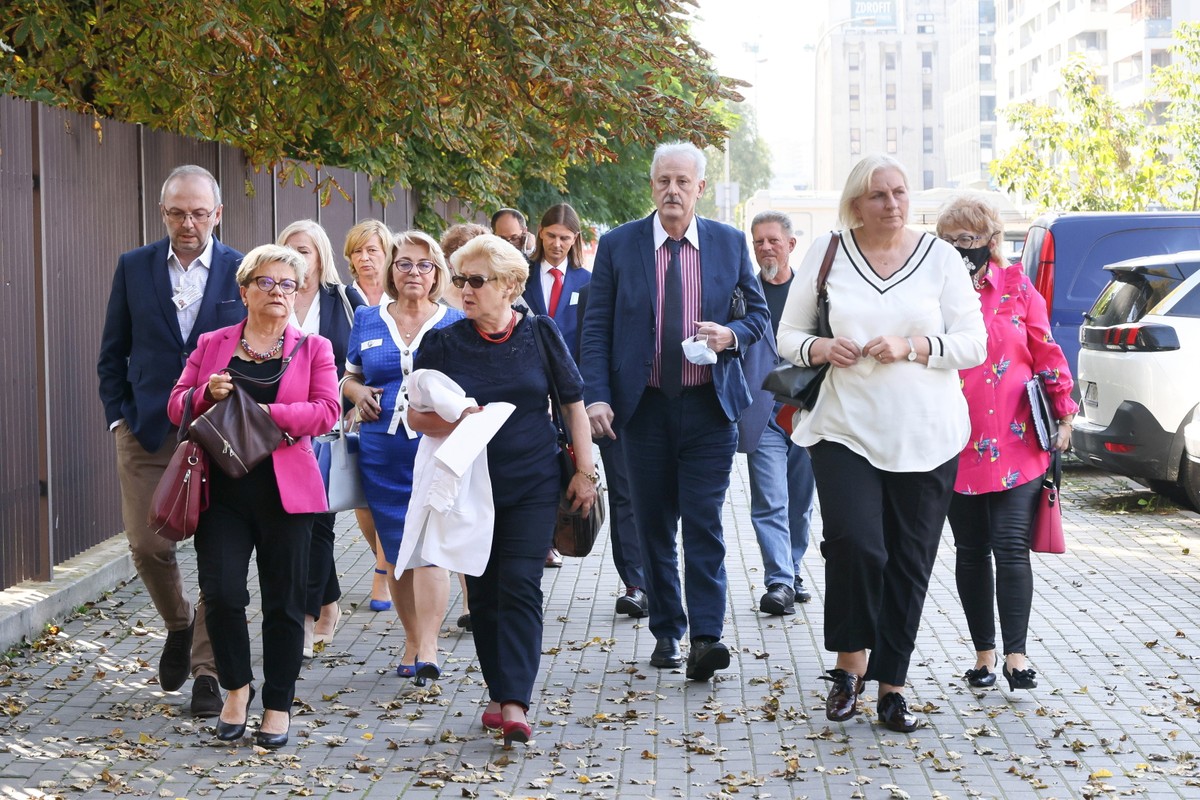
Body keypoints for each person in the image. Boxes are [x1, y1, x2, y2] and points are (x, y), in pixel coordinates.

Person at [776, 154, 987, 733]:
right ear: (855, 203)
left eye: (899, 192)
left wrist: (915, 346)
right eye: (877, 195)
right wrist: (821, 350)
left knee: (910, 560)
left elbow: (975, 343)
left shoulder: (941, 258)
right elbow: (787, 335)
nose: (891, 204)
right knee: (856, 543)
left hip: (928, 432)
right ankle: (850, 664)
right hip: (845, 426)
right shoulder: (826, 253)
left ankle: (892, 686)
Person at [579, 141, 770, 680]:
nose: (673, 190)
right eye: (664, 180)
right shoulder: (619, 246)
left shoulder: (729, 245)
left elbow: (758, 316)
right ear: (652, 185)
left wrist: (731, 334)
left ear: (700, 189)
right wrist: (596, 396)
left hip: (709, 408)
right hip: (643, 410)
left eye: (683, 182)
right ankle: (668, 630)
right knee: (654, 525)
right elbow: (596, 330)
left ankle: (707, 636)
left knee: (705, 522)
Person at [410, 234, 597, 746]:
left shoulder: (540, 333)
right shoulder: (442, 343)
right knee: (486, 592)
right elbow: (414, 414)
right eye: (460, 280)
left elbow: (573, 404)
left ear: (511, 285)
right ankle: (498, 692)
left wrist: (586, 470)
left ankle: (514, 699)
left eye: (476, 280)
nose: (464, 290)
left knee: (520, 583)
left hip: (533, 481)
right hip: (471, 487)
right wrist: (456, 419)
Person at [166, 244, 340, 748]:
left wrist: (267, 417)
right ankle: (237, 690)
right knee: (221, 594)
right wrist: (207, 394)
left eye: (288, 284)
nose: (278, 292)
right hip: (222, 490)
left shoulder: (314, 349)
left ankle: (278, 704)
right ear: (244, 291)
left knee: (285, 603)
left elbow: (326, 411)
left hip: (287, 493)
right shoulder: (213, 343)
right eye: (266, 282)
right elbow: (176, 402)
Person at [97, 165, 244, 717]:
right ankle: (179, 624)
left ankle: (208, 671)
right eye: (179, 212)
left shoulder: (241, 271)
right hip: (149, 427)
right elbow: (112, 352)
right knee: (148, 544)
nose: (189, 223)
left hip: (219, 431)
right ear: (163, 213)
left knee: (216, 551)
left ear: (217, 214)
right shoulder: (134, 267)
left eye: (199, 213)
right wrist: (119, 418)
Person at [936, 195, 1077, 693]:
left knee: (1011, 547)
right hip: (955, 442)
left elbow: (1046, 352)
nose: (957, 249)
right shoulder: (934, 292)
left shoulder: (1018, 288)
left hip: (1017, 442)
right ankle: (983, 655)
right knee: (971, 550)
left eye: (967, 241)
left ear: (991, 242)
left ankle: (1016, 656)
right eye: (948, 240)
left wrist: (1064, 412)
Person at [342, 231, 465, 682]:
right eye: (405, 264)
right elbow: (348, 377)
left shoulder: (454, 322)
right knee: (395, 551)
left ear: (437, 273)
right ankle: (412, 638)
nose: (414, 272)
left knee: (431, 548)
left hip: (435, 449)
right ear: (392, 270)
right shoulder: (367, 318)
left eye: (424, 265)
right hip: (382, 452)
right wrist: (356, 394)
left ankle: (430, 646)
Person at [277, 220, 366, 655]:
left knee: (321, 520)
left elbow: (357, 360)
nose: (298, 257)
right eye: (290, 249)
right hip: (283, 427)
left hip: (328, 425)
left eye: (305, 250)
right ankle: (327, 600)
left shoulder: (343, 300)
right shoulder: (275, 296)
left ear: (321, 256)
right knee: (301, 522)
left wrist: (353, 410)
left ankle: (310, 615)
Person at [736, 211, 817, 616]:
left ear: (790, 244)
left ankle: (794, 567)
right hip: (761, 412)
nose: (765, 248)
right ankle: (779, 582)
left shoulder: (811, 292)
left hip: (804, 412)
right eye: (758, 242)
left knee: (800, 503)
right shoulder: (743, 292)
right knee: (770, 500)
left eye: (773, 240)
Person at [522, 203, 593, 569]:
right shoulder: (523, 275)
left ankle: (557, 529)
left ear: (575, 239)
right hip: (530, 378)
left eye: (565, 238)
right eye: (551, 236)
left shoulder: (587, 281)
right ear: (540, 234)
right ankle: (542, 539)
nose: (557, 244)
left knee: (563, 460)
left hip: (569, 385)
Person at [439, 222, 490, 631]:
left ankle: (478, 600)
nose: (467, 285)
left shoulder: (517, 318)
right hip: (452, 441)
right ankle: (475, 598)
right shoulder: (445, 324)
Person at [341, 220, 393, 613]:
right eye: (358, 251)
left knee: (386, 496)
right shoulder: (343, 298)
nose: (365, 258)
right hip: (346, 407)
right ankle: (383, 559)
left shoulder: (400, 294)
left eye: (372, 250)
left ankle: (383, 568)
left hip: (393, 414)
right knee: (362, 499)